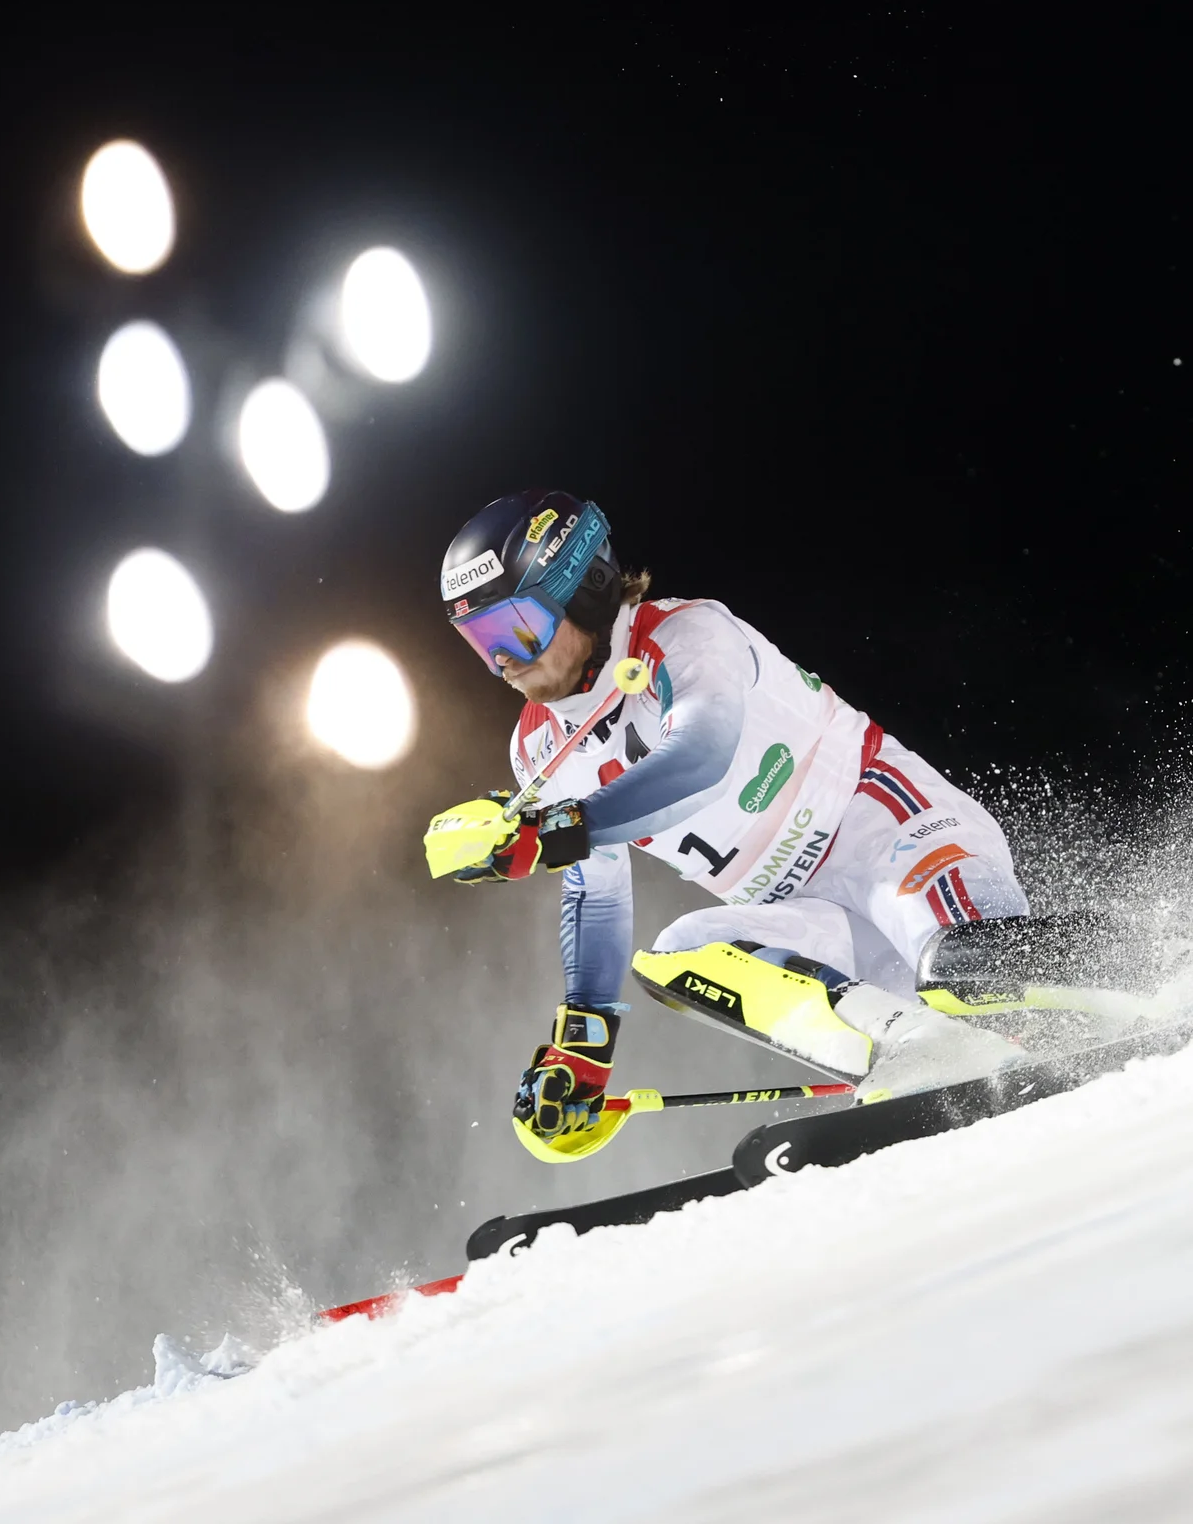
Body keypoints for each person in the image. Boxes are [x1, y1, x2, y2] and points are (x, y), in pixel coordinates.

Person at [431, 489, 1105, 1161]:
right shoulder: (537, 752)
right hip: (804, 915)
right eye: (481, 643)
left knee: (969, 975)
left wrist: (557, 828)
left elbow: (700, 756)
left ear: (583, 588)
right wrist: (583, 1050)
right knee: (680, 958)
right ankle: (923, 1052)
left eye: (516, 629)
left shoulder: (683, 634)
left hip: (889, 836)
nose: (504, 662)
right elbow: (596, 892)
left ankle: (1163, 977)